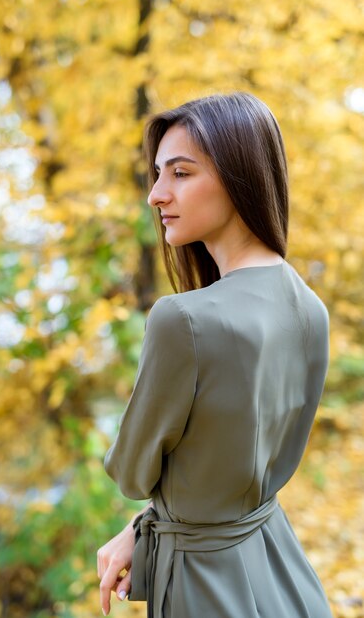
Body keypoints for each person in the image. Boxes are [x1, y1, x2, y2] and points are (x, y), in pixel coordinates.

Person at [97, 92, 333, 618]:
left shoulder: (183, 320)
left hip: (204, 589)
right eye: (157, 174)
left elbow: (133, 474)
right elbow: (231, 480)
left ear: (239, 175)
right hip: (282, 574)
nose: (156, 195)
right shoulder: (309, 309)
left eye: (180, 173)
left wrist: (150, 518)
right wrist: (143, 530)